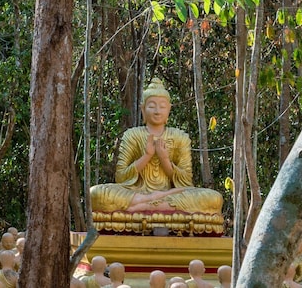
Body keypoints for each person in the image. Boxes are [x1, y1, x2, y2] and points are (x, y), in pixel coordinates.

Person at [90, 78, 223, 214]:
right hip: (136, 193)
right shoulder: (132, 135)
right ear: (143, 109)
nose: (157, 111)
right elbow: (121, 177)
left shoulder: (180, 137)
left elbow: (186, 181)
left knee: (213, 198)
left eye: (162, 106)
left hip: (171, 194)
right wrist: (147, 156)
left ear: (169, 109)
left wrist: (164, 159)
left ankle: (145, 207)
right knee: (97, 194)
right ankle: (157, 205)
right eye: (152, 106)